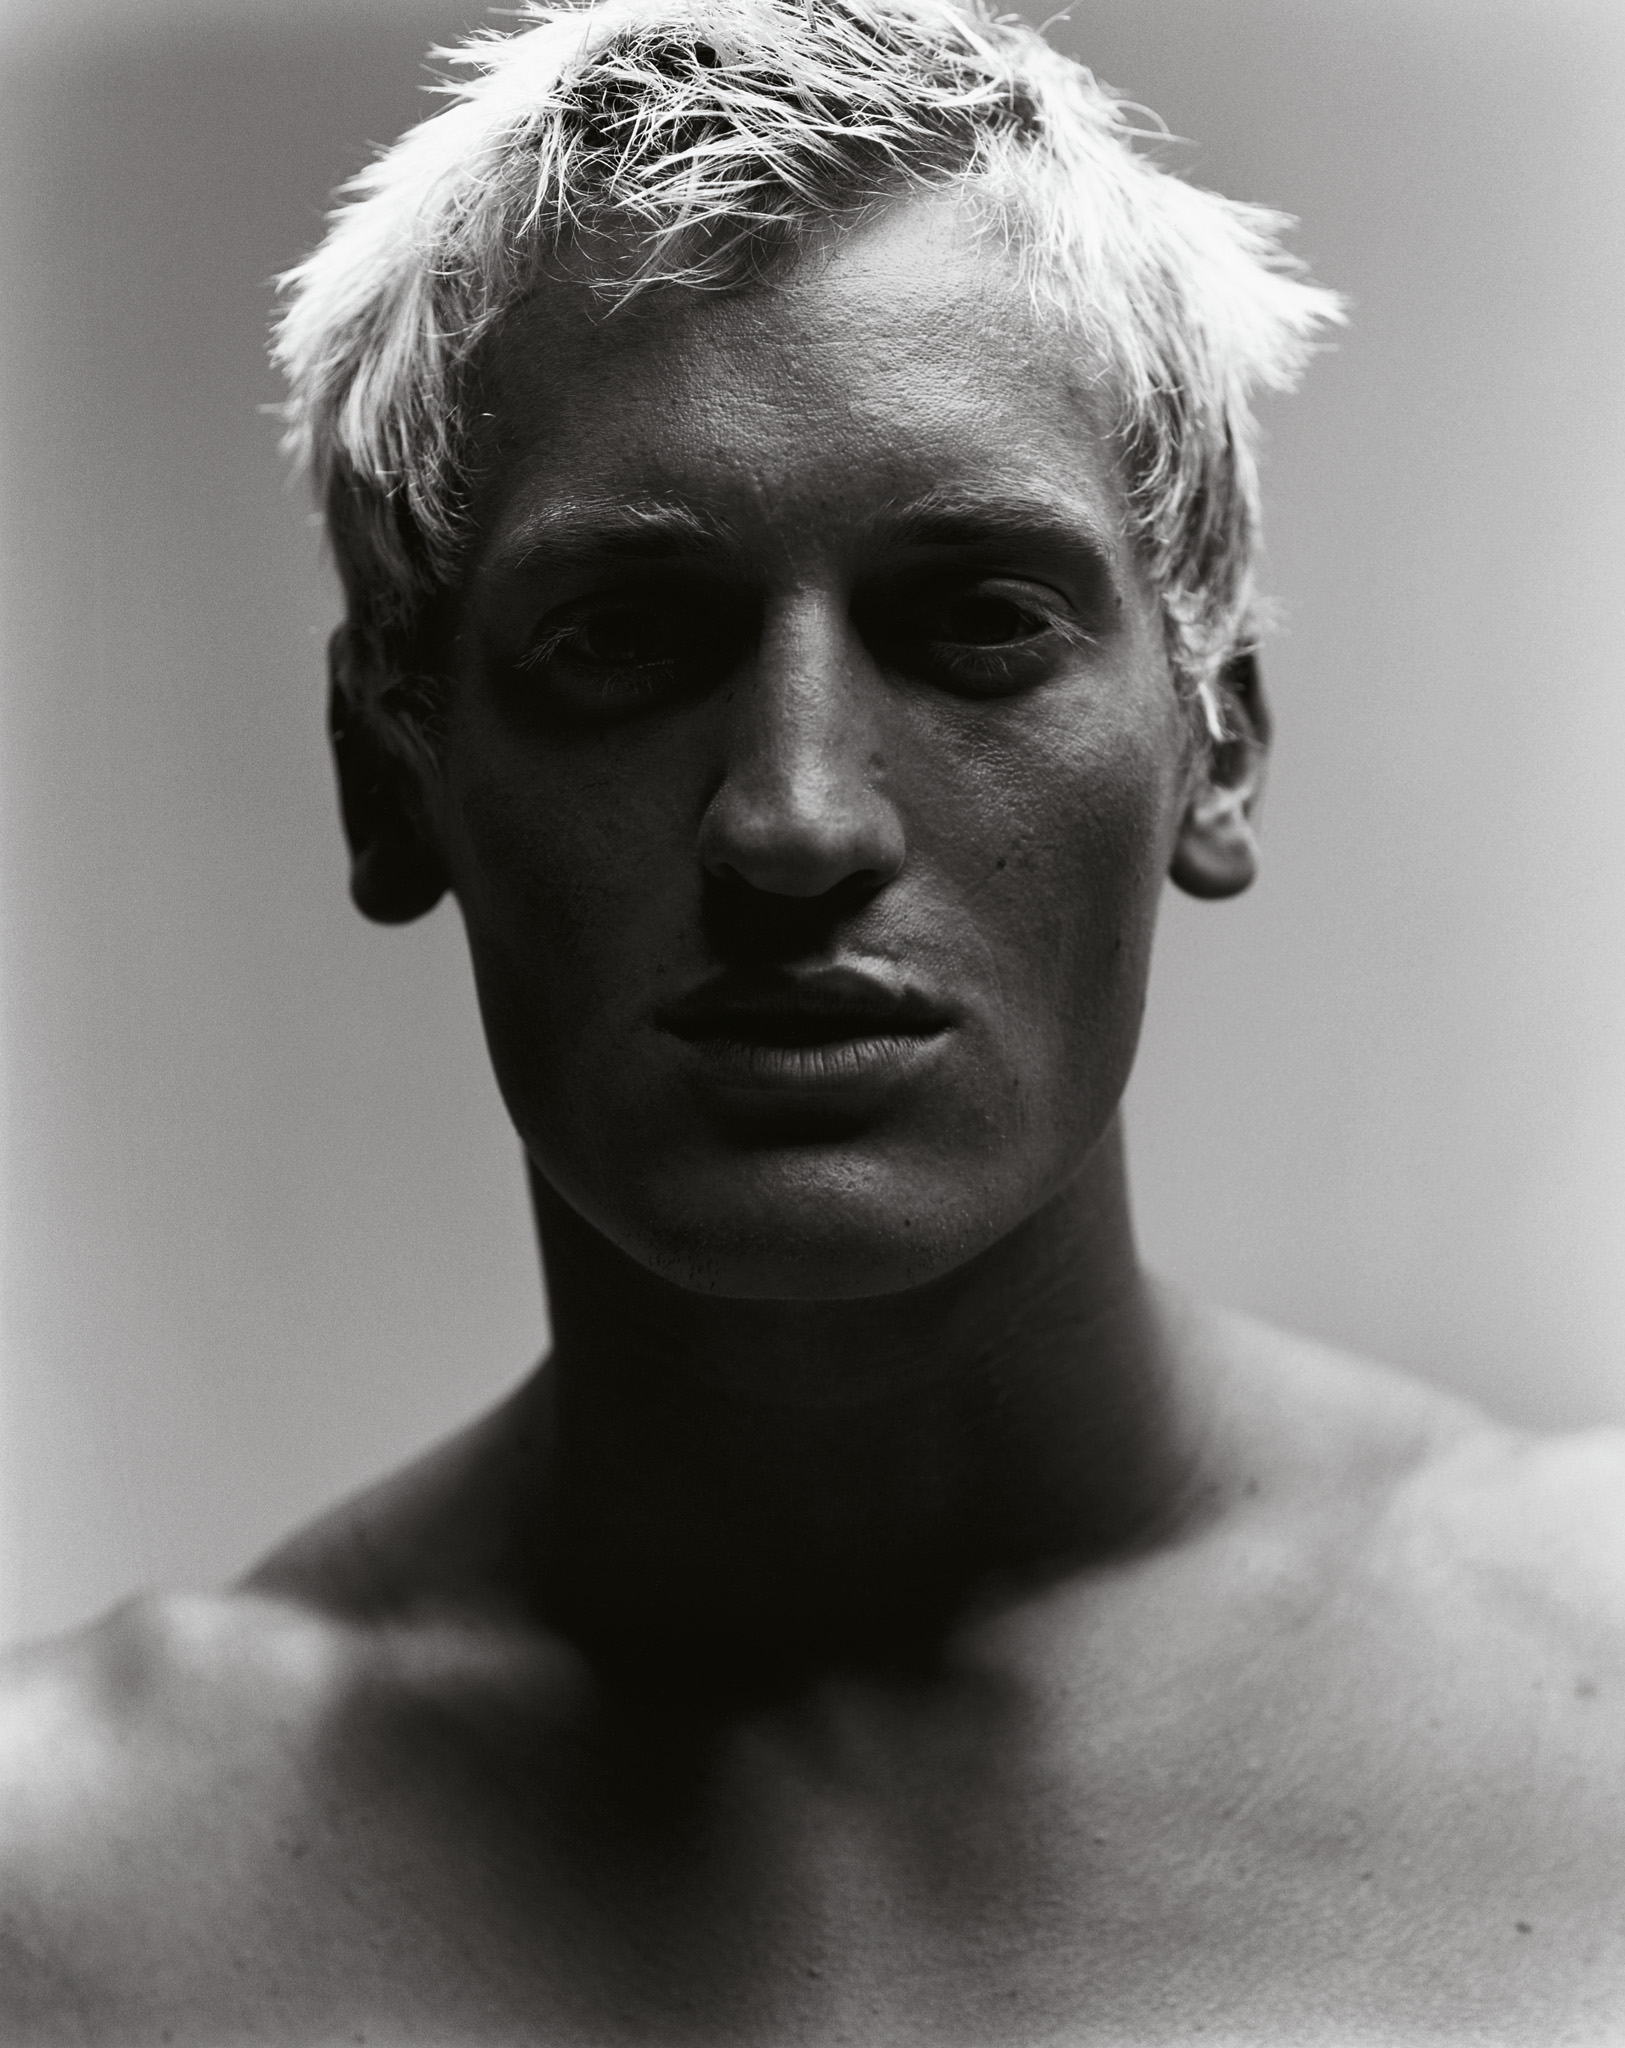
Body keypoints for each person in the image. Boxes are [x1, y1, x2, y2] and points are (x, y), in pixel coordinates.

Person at [2, 0, 1622, 2038]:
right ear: (386, 776)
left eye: (976, 624)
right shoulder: (66, 1885)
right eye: (625, 639)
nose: (793, 822)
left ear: (1215, 740)